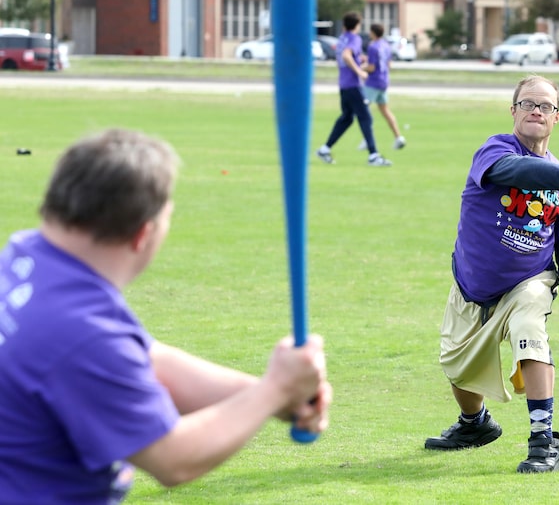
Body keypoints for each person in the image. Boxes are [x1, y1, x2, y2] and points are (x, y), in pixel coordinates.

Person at [0, 128, 332, 503]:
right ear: (143, 234)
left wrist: (276, 396)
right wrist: (276, 390)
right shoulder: (80, 330)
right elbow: (172, 458)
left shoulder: (27, 255)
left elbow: (149, 362)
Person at [424, 75, 559, 474]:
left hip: (529, 281)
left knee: (530, 333)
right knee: (458, 368)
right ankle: (474, 425)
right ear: (513, 111)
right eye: (528, 103)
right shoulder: (495, 151)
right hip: (473, 286)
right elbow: (520, 171)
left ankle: (544, 441)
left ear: (557, 118)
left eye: (545, 106)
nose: (536, 110)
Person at [316, 11, 392, 166]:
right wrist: (359, 71)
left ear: (344, 24)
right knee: (366, 117)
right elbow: (346, 55)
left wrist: (359, 60)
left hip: (344, 84)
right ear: (357, 25)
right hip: (353, 85)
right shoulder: (354, 39)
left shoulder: (342, 39)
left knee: (347, 118)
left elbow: (346, 55)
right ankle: (373, 155)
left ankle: (325, 149)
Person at [359, 23, 406, 150]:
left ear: (373, 33)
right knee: (385, 110)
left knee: (364, 111)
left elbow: (371, 67)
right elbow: (389, 65)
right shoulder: (386, 45)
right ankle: (398, 137)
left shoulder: (373, 47)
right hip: (384, 81)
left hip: (373, 82)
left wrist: (360, 68)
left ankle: (367, 139)